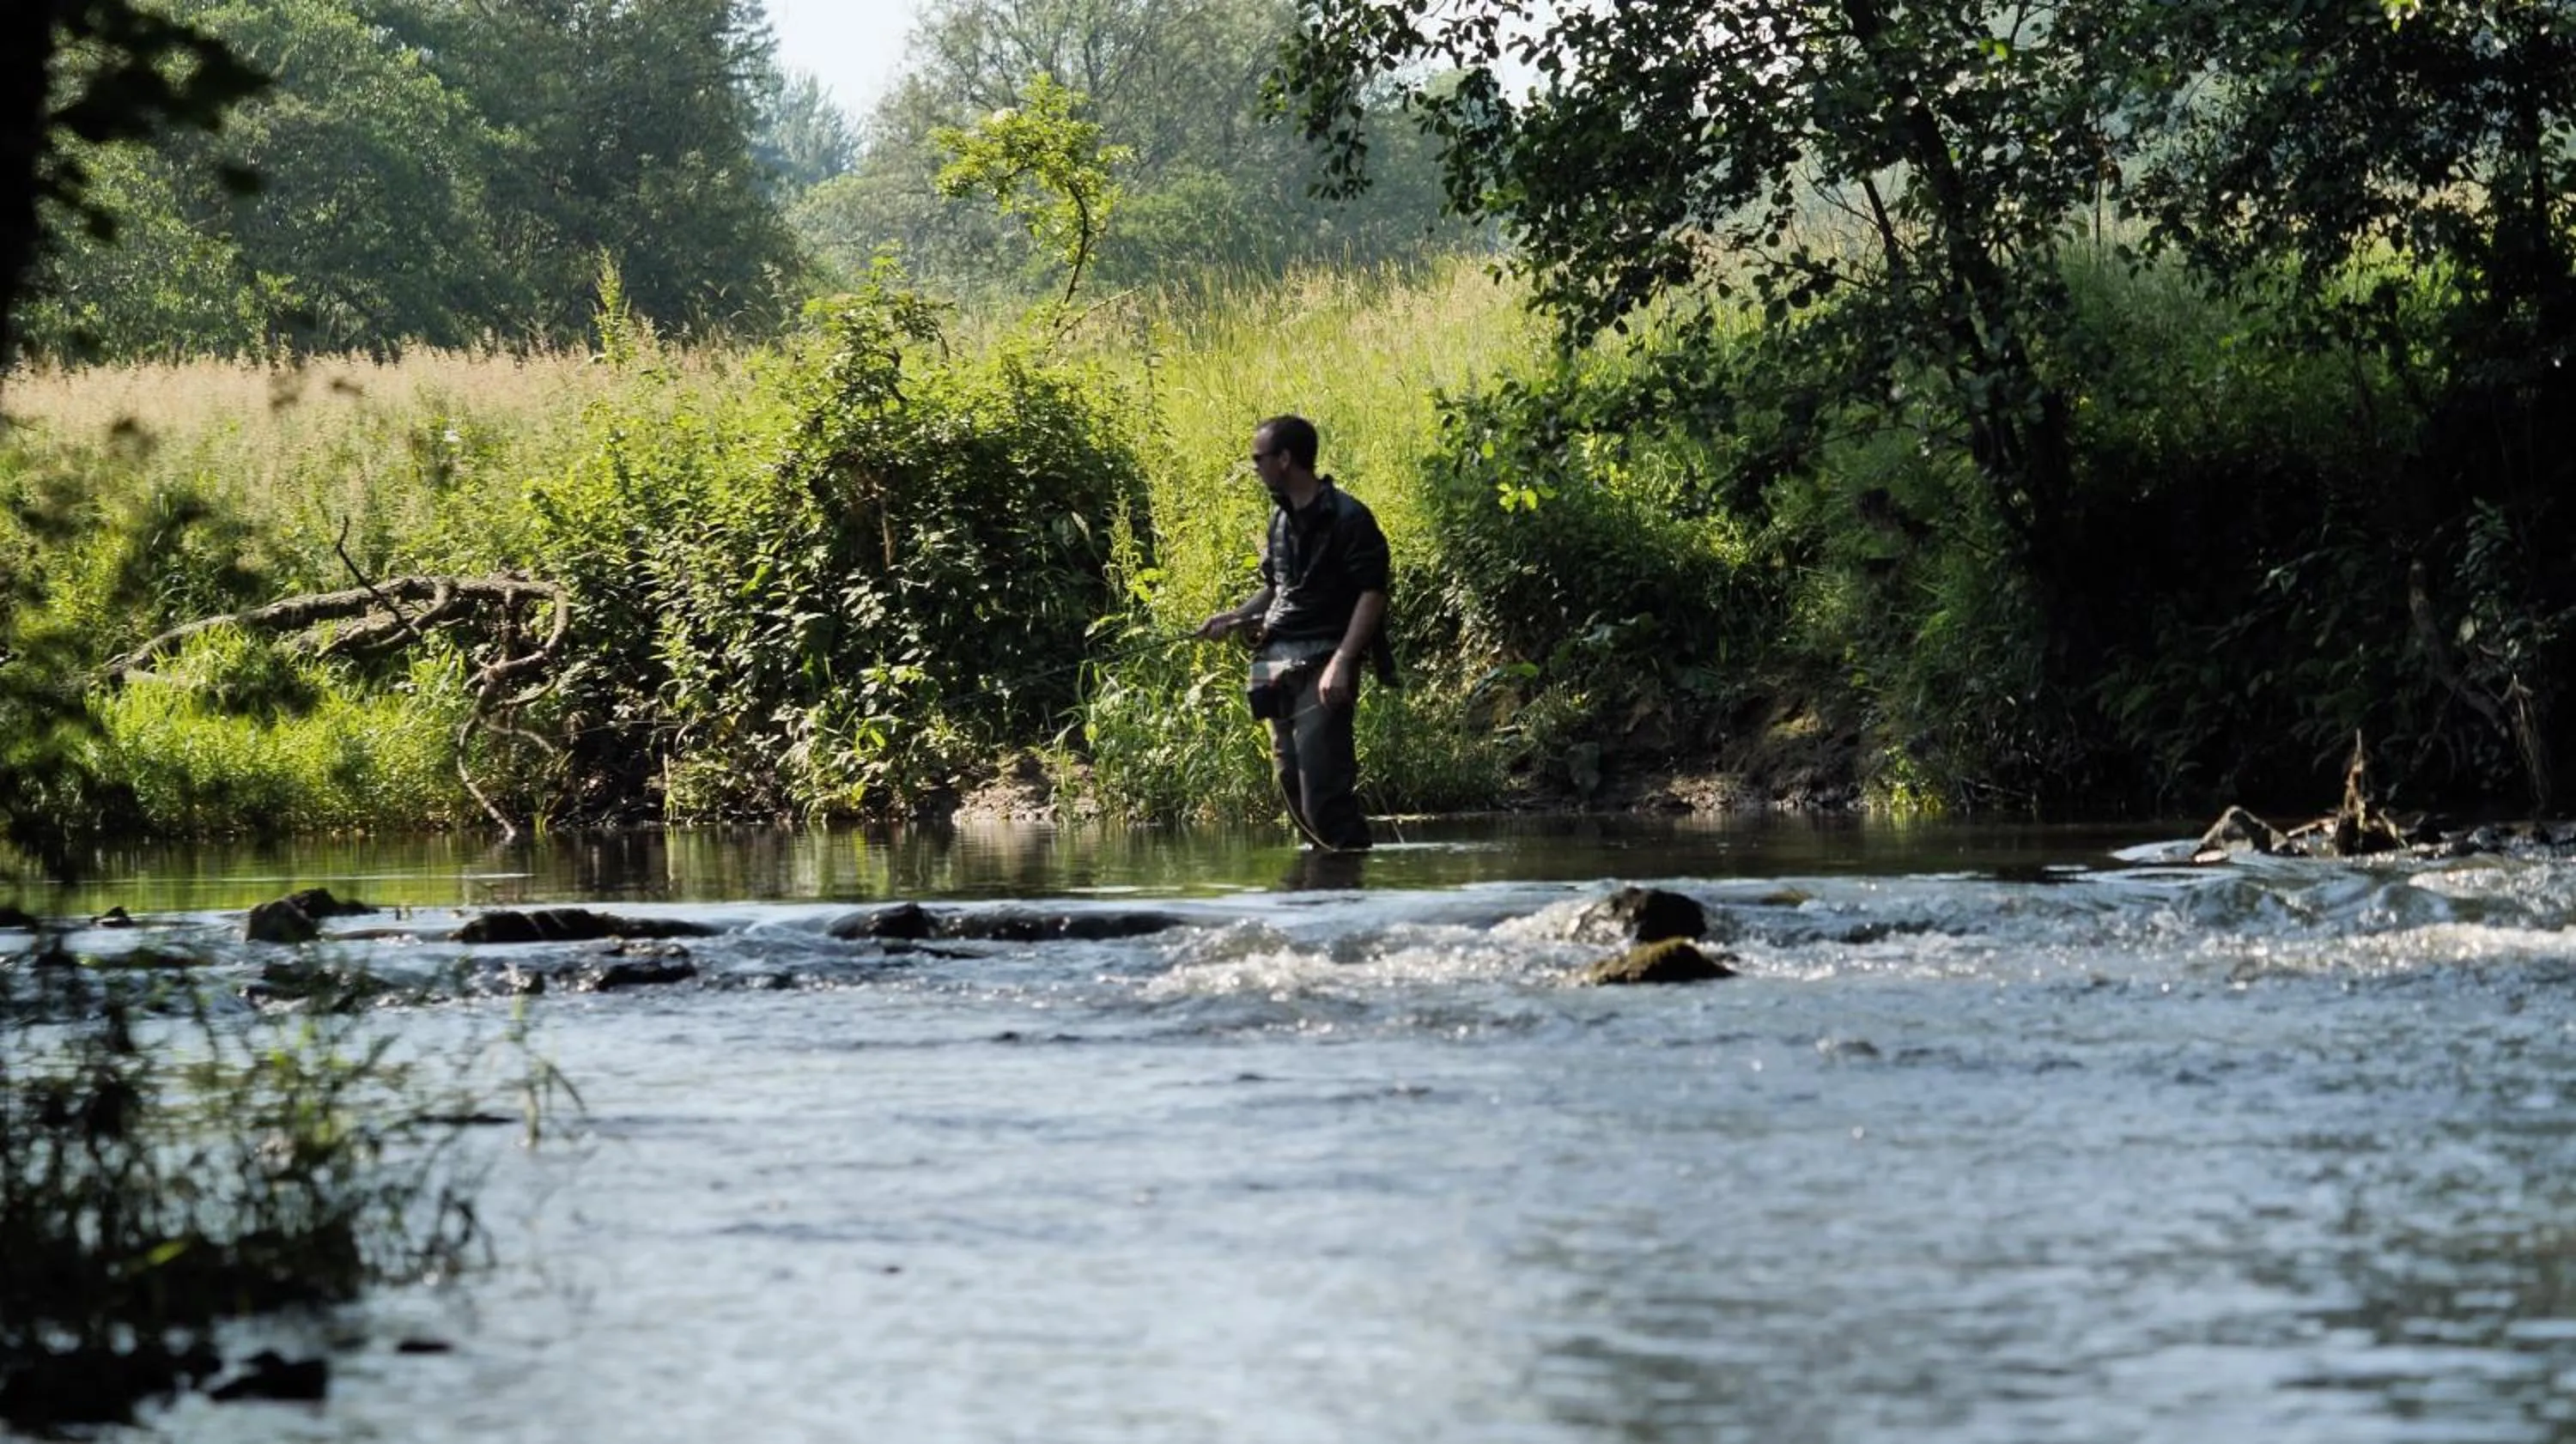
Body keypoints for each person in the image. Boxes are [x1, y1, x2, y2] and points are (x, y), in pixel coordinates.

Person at [1195, 415, 1393, 851]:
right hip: (1273, 660)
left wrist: (1343, 661)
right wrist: (1232, 617)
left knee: (1324, 788)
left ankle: (1347, 886)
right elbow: (1276, 588)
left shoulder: (1349, 517)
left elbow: (1373, 593)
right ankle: (1319, 889)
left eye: (1258, 458)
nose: (1254, 467)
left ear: (1285, 459)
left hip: (1324, 660)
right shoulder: (1280, 521)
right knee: (1290, 782)